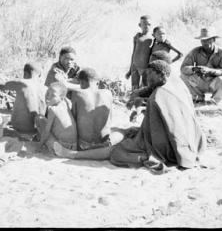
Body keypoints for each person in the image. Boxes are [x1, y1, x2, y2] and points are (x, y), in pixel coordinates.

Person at [53, 60, 205, 173]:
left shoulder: (159, 95)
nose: (147, 78)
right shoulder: (176, 87)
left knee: (115, 152)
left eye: (150, 75)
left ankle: (74, 155)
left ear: (161, 74)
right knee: (126, 131)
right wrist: (141, 109)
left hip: (164, 145)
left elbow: (162, 128)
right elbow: (168, 118)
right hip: (186, 139)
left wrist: (145, 138)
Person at [0, 56, 47, 136]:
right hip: (37, 131)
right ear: (40, 75)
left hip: (22, 130)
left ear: (25, 73)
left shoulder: (22, 83)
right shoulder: (46, 89)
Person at [180, 27, 222, 104]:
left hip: (214, 83)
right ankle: (198, 98)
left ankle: (214, 101)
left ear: (214, 40)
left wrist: (211, 71)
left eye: (208, 39)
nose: (205, 42)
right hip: (200, 82)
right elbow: (183, 68)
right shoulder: (195, 51)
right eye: (203, 40)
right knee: (183, 76)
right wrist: (194, 69)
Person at [71, 68, 117, 150]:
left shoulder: (77, 93)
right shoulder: (108, 93)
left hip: (84, 145)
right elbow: (110, 119)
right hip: (104, 143)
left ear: (81, 82)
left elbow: (73, 120)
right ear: (98, 82)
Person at [37, 81, 78, 154]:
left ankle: (43, 143)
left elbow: (46, 131)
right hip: (74, 146)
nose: (48, 97)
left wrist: (39, 146)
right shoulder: (66, 103)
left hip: (61, 147)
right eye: (47, 93)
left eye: (53, 95)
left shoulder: (53, 110)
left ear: (61, 98)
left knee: (39, 119)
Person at [125, 15, 153, 90]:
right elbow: (133, 53)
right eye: (144, 23)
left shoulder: (153, 38)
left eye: (149, 24)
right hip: (135, 66)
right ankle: (132, 101)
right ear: (140, 25)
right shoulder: (137, 37)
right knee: (134, 88)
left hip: (145, 68)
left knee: (145, 89)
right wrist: (130, 70)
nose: (146, 26)